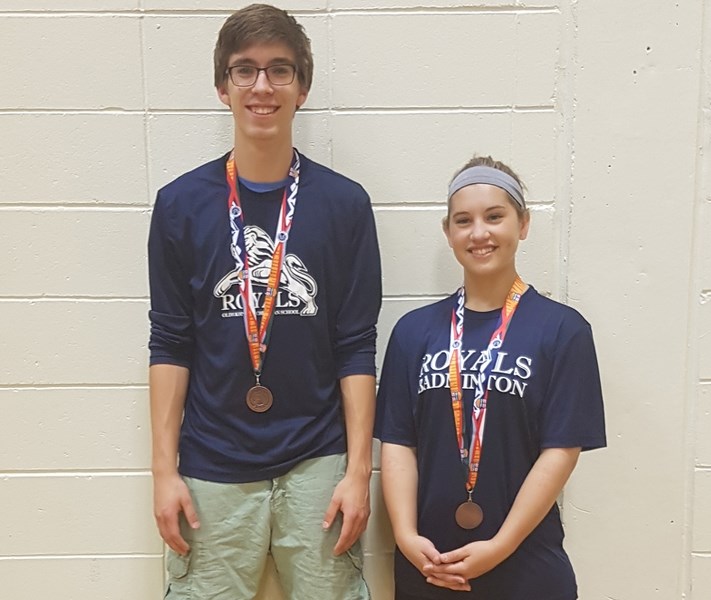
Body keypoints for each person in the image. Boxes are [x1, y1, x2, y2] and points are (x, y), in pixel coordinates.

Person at [147, 4, 381, 599]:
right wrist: (163, 470)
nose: (261, 86)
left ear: (301, 88)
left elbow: (355, 346)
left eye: (279, 70)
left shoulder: (345, 204)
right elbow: (171, 342)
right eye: (244, 70)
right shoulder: (179, 205)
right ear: (222, 87)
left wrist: (359, 472)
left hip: (318, 459)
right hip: (212, 460)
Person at [375, 155, 606, 599]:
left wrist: (500, 545)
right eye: (463, 220)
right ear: (448, 233)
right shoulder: (413, 332)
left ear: (523, 223)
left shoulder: (562, 330)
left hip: (525, 565)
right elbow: (399, 445)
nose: (479, 232)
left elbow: (560, 452)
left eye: (494, 216)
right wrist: (406, 537)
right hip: (430, 566)